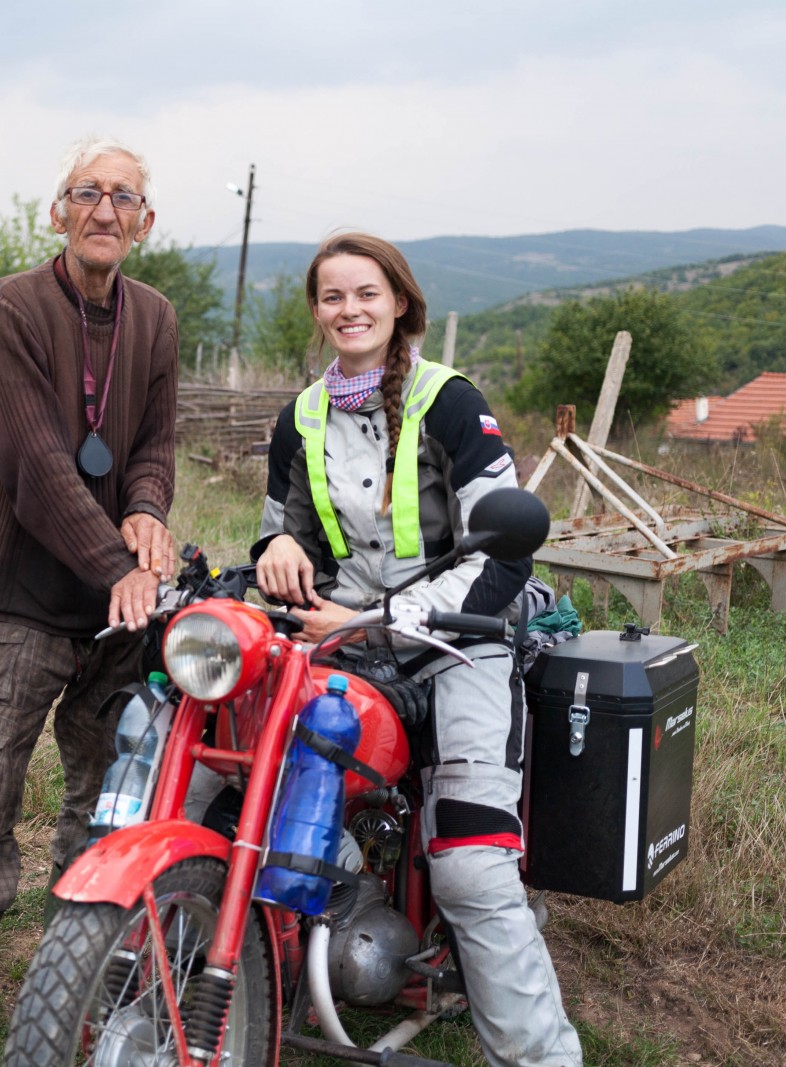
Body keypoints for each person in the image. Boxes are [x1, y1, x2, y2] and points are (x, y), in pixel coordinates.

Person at [253, 233, 582, 1067]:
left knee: (472, 869)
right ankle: (311, 939)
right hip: (346, 640)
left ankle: (544, 1057)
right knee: (245, 781)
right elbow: (281, 536)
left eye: (366, 293)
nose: (349, 310)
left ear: (399, 302)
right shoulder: (299, 418)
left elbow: (504, 553)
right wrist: (274, 558)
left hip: (459, 645)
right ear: (316, 311)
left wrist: (386, 620)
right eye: (332, 296)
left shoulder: (449, 401)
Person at [0, 137, 179, 1067]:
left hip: (116, 610)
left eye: (124, 197)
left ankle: (74, 965)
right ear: (56, 211)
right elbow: (33, 461)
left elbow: (153, 443)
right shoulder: (9, 307)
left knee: (109, 792)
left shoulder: (158, 318)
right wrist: (118, 562)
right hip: (22, 592)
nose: (105, 210)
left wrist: (144, 511)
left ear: (145, 220)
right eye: (86, 193)